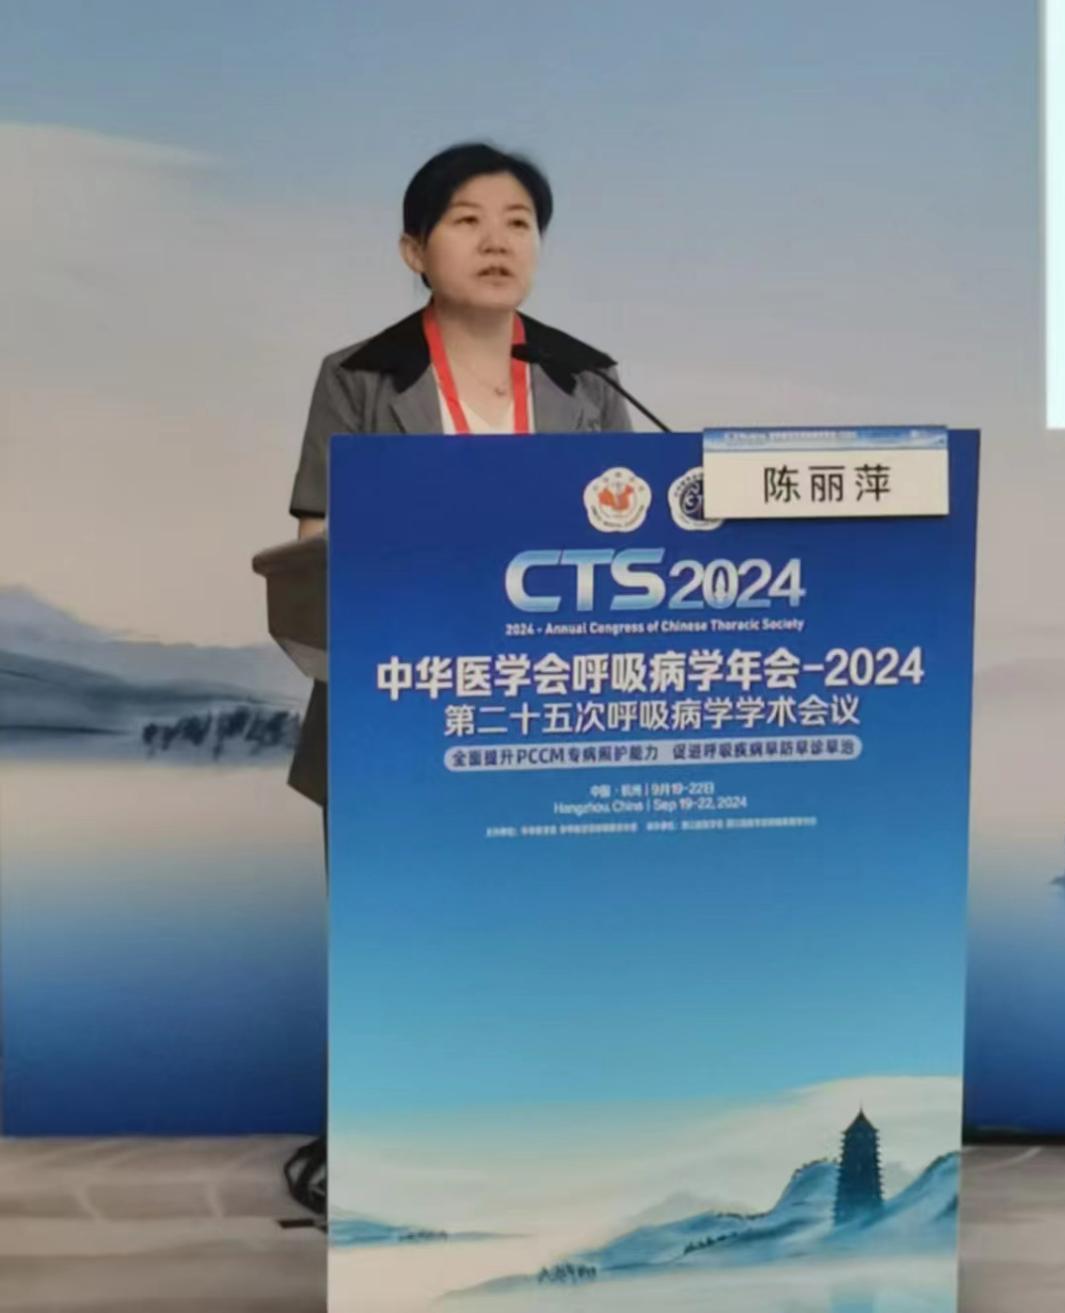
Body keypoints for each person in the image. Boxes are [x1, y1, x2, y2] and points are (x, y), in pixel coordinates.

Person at [281, 142, 633, 1215]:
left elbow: (626, 550)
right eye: (467, 219)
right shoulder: (361, 376)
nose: (496, 240)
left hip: (544, 721)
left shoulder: (588, 379)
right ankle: (395, 1179)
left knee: (540, 949)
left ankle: (544, 1172)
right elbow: (315, 553)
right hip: (395, 721)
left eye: (519, 220)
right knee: (405, 953)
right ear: (414, 249)